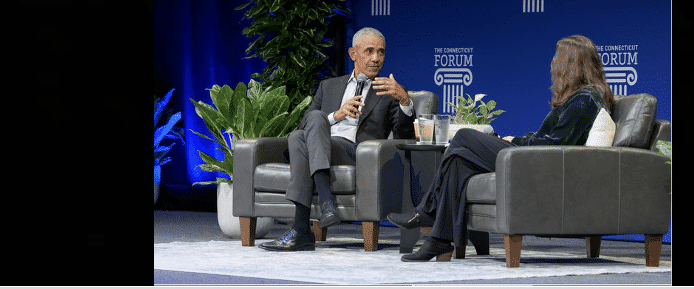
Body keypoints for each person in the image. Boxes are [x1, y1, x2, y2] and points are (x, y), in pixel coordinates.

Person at [387, 35, 616, 262]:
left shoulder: (585, 99)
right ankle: (439, 240)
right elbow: (549, 138)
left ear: (571, 65)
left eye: (557, 58)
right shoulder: (581, 98)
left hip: (539, 165)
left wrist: (513, 142)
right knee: (459, 159)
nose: (552, 64)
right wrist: (515, 138)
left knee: (464, 136)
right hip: (534, 158)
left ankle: (426, 211)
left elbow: (553, 145)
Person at [260, 27, 417, 252]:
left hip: (357, 153)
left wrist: (404, 100)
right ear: (353, 54)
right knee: (302, 131)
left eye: (381, 52)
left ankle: (305, 224)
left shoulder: (389, 91)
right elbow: (303, 126)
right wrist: (337, 115)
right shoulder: (329, 86)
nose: (376, 58)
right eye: (369, 51)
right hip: (322, 147)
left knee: (300, 137)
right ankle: (319, 211)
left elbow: (404, 138)